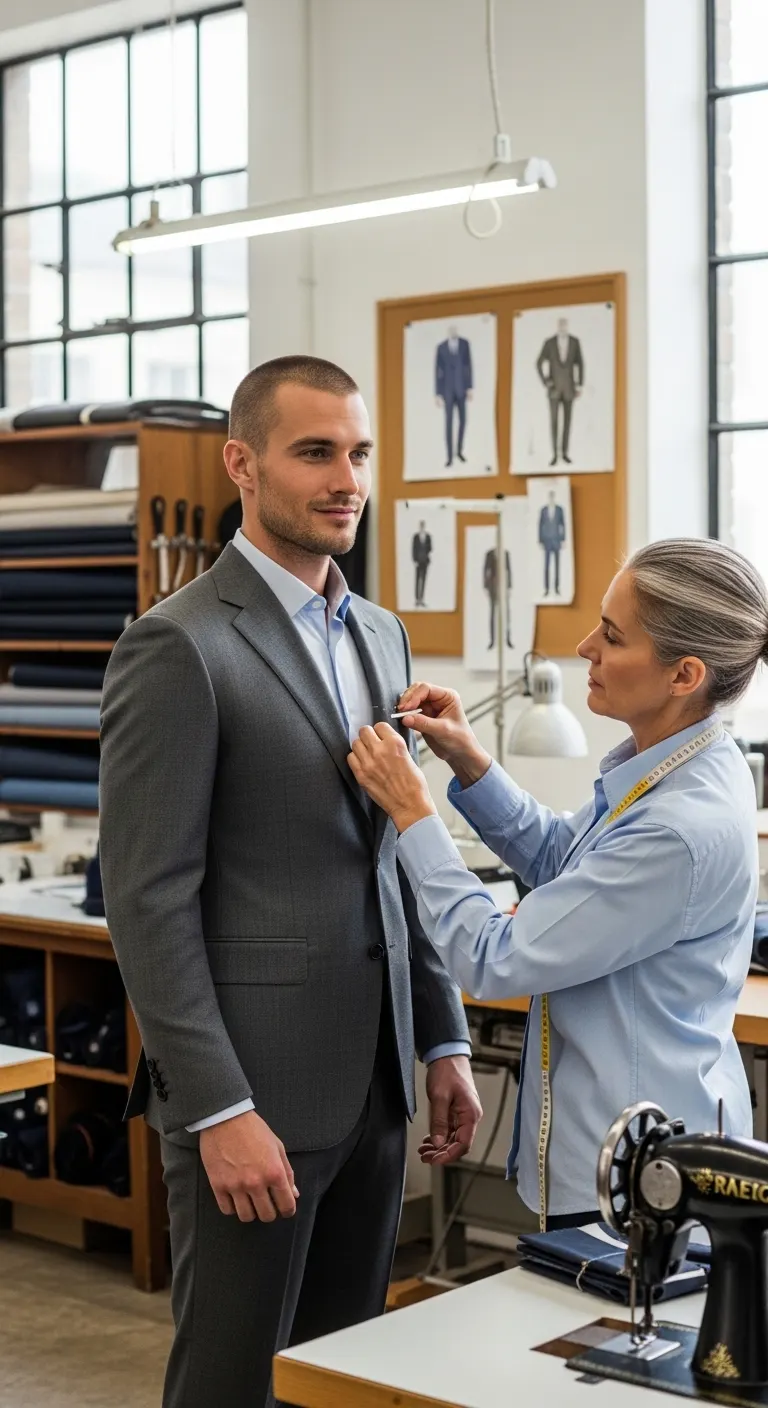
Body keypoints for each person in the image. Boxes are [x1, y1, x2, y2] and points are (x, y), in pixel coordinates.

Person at [99, 356, 480, 1408]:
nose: (345, 477)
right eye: (315, 452)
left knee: (343, 1379)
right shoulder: (175, 648)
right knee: (231, 1383)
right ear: (242, 464)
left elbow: (392, 850)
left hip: (375, 1088)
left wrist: (440, 1034)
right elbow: (148, 903)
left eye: (357, 452)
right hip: (252, 1101)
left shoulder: (381, 632)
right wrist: (218, 1106)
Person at [347, 538, 765, 1229]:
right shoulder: (677, 764)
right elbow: (567, 861)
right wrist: (472, 764)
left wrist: (414, 812)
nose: (583, 648)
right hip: (628, 1149)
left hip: (634, 1173)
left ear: (684, 674)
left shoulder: (678, 827)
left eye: (611, 635)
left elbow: (493, 958)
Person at [536, 317, 583, 465]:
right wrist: (546, 381)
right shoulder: (549, 343)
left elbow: (580, 363)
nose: (562, 327)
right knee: (554, 422)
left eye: (565, 325)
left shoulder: (575, 342)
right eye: (560, 325)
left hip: (569, 388)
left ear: (567, 326)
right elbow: (539, 362)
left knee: (567, 422)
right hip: (554, 389)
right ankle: (554, 455)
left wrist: (579, 384)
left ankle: (565, 453)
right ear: (557, 326)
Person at [435, 325, 473, 467]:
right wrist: (438, 393)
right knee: (449, 423)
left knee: (463, 421)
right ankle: (449, 456)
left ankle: (459, 451)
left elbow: (468, 365)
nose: (453, 332)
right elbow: (437, 371)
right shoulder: (441, 347)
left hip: (461, 388)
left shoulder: (464, 344)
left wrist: (469, 387)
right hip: (447, 390)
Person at [483, 545, 513, 650]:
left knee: (506, 614)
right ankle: (492, 641)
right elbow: (485, 570)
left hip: (503, 586)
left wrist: (509, 587)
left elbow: (509, 571)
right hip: (493, 586)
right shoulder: (489, 553)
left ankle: (508, 639)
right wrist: (486, 586)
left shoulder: (506, 553)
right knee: (493, 614)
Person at [538, 489, 566, 597]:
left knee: (557, 565)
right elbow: (540, 525)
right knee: (547, 565)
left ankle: (557, 587)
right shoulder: (543, 510)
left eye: (552, 497)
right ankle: (546, 588)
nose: (551, 499)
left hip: (556, 540)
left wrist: (563, 539)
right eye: (550, 497)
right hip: (547, 540)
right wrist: (540, 540)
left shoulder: (559, 510)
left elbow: (562, 525)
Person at [412, 518, 432, 608]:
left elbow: (430, 548)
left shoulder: (428, 536)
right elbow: (413, 549)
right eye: (421, 526)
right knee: (417, 579)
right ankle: (417, 599)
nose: (422, 527)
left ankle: (422, 599)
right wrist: (415, 559)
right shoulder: (416, 536)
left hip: (425, 561)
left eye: (423, 526)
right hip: (418, 561)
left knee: (423, 580)